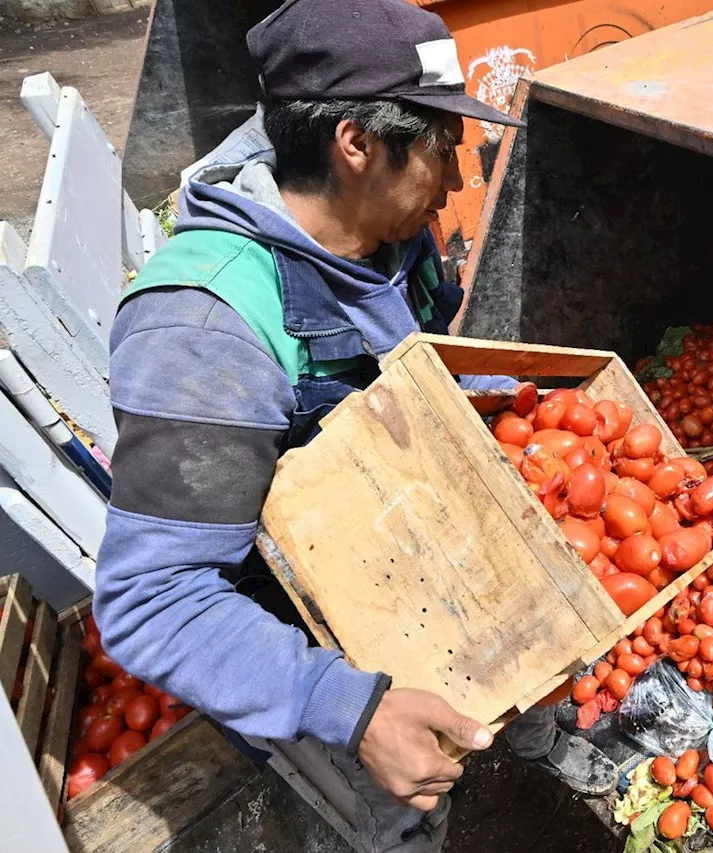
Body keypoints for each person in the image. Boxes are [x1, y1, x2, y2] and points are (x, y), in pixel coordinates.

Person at [93, 0, 618, 849]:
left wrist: (518, 414)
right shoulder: (205, 327)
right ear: (355, 144)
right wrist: (349, 706)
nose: (454, 182)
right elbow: (152, 600)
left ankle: (535, 742)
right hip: (310, 631)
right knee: (400, 807)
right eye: (442, 149)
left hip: (412, 539)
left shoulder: (387, 235)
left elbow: (427, 356)